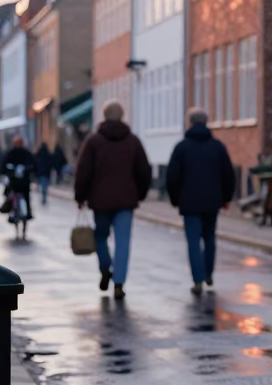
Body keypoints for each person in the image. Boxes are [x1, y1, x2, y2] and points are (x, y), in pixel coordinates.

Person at [74, 100, 151, 301]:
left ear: (104, 116)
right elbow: (144, 171)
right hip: (126, 200)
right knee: (123, 242)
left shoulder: (93, 142)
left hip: (100, 201)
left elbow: (83, 172)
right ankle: (119, 282)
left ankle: (105, 267)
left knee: (100, 237)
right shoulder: (133, 141)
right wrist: (140, 194)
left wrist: (80, 196)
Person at [165, 108, 236, 295]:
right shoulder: (217, 147)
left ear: (190, 123)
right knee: (210, 237)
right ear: (206, 123)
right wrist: (227, 198)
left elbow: (172, 176)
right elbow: (228, 174)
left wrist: (174, 198)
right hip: (212, 201)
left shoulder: (181, 148)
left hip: (189, 202)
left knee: (193, 240)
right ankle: (208, 272)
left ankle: (197, 279)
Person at [1, 136, 36, 223]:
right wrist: (7, 171)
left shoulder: (26, 153)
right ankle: (10, 209)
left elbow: (33, 164)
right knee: (9, 194)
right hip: (14, 181)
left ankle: (28, 212)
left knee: (27, 197)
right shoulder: (11, 153)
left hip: (23, 181)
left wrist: (28, 169)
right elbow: (3, 164)